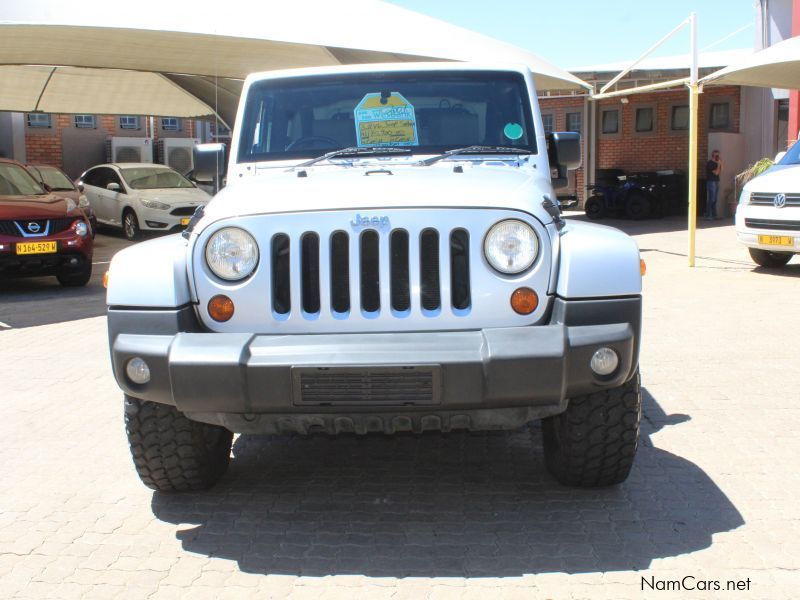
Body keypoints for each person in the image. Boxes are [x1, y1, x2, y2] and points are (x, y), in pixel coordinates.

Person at [705, 150, 722, 220]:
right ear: (713, 156)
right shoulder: (710, 163)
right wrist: (718, 165)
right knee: (712, 199)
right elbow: (716, 173)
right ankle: (708, 215)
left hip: (716, 181)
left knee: (715, 199)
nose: (718, 157)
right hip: (711, 182)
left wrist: (720, 164)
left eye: (718, 155)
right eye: (716, 156)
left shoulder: (716, 163)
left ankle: (714, 215)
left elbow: (721, 171)